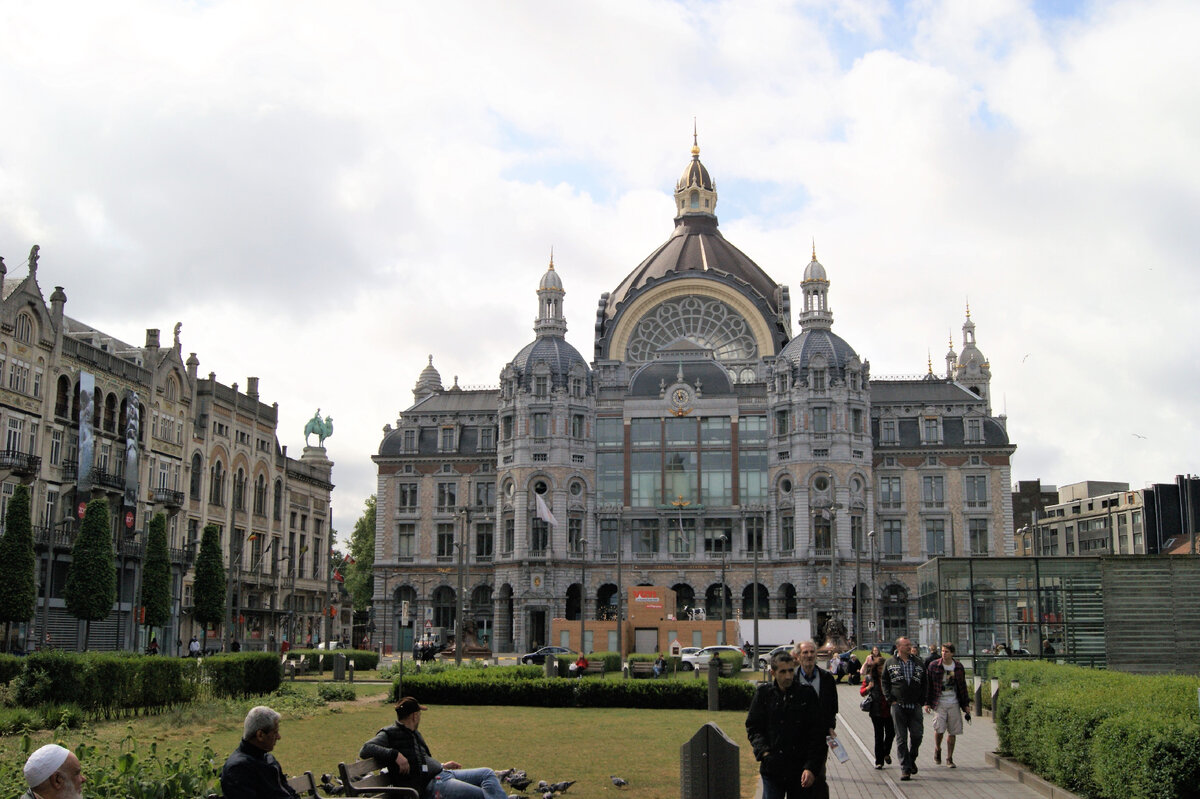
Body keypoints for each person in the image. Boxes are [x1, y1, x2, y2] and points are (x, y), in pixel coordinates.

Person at [360, 696, 507, 798]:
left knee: (487, 774)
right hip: (432, 785)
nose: (420, 717)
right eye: (419, 714)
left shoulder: (413, 733)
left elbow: (420, 759)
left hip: (442, 774)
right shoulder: (390, 733)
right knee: (483, 794)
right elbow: (366, 749)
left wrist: (442, 765)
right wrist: (395, 755)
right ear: (414, 716)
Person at [747, 649, 834, 798]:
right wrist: (764, 753)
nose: (788, 676)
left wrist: (811, 767)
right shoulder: (764, 694)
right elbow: (754, 727)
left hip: (799, 769)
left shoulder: (806, 694)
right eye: (782, 672)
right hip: (773, 768)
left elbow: (817, 733)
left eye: (790, 671)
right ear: (773, 673)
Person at [220, 706, 301, 798]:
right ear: (260, 735)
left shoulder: (267, 759)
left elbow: (287, 790)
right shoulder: (238, 769)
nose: (279, 737)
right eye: (275, 732)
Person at [880, 637, 927, 781]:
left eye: (910, 645)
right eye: (906, 645)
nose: (909, 647)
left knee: (917, 735)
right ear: (898, 647)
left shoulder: (918, 662)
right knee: (901, 739)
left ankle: (911, 759)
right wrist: (890, 699)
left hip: (915, 706)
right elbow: (884, 681)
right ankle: (905, 768)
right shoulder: (890, 662)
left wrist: (922, 700)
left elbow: (925, 682)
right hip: (898, 705)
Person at [924, 643, 971, 768]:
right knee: (939, 729)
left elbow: (963, 687)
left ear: (952, 653)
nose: (944, 653)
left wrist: (966, 704)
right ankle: (938, 748)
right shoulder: (934, 666)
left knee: (953, 731)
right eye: (943, 651)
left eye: (947, 651)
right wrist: (927, 703)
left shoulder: (958, 667)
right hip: (939, 702)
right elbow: (929, 685)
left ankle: (949, 758)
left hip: (954, 702)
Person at [860, 656, 894, 769]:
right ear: (876, 668)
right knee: (878, 736)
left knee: (891, 733)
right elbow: (862, 692)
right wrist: (869, 687)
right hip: (876, 711)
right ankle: (879, 761)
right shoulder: (870, 678)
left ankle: (886, 752)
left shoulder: (891, 678)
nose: (882, 670)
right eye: (880, 668)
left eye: (884, 668)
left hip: (890, 711)